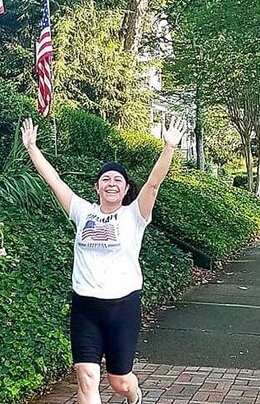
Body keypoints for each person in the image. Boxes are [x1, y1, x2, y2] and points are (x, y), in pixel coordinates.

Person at [20, 117, 185, 404]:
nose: (111, 183)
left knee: (119, 382)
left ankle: (134, 395)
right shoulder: (81, 211)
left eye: (117, 180)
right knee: (86, 377)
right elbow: (53, 179)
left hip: (122, 307)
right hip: (85, 307)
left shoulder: (135, 215)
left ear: (124, 189)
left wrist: (169, 147)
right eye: (105, 179)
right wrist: (32, 148)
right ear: (97, 187)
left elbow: (154, 183)